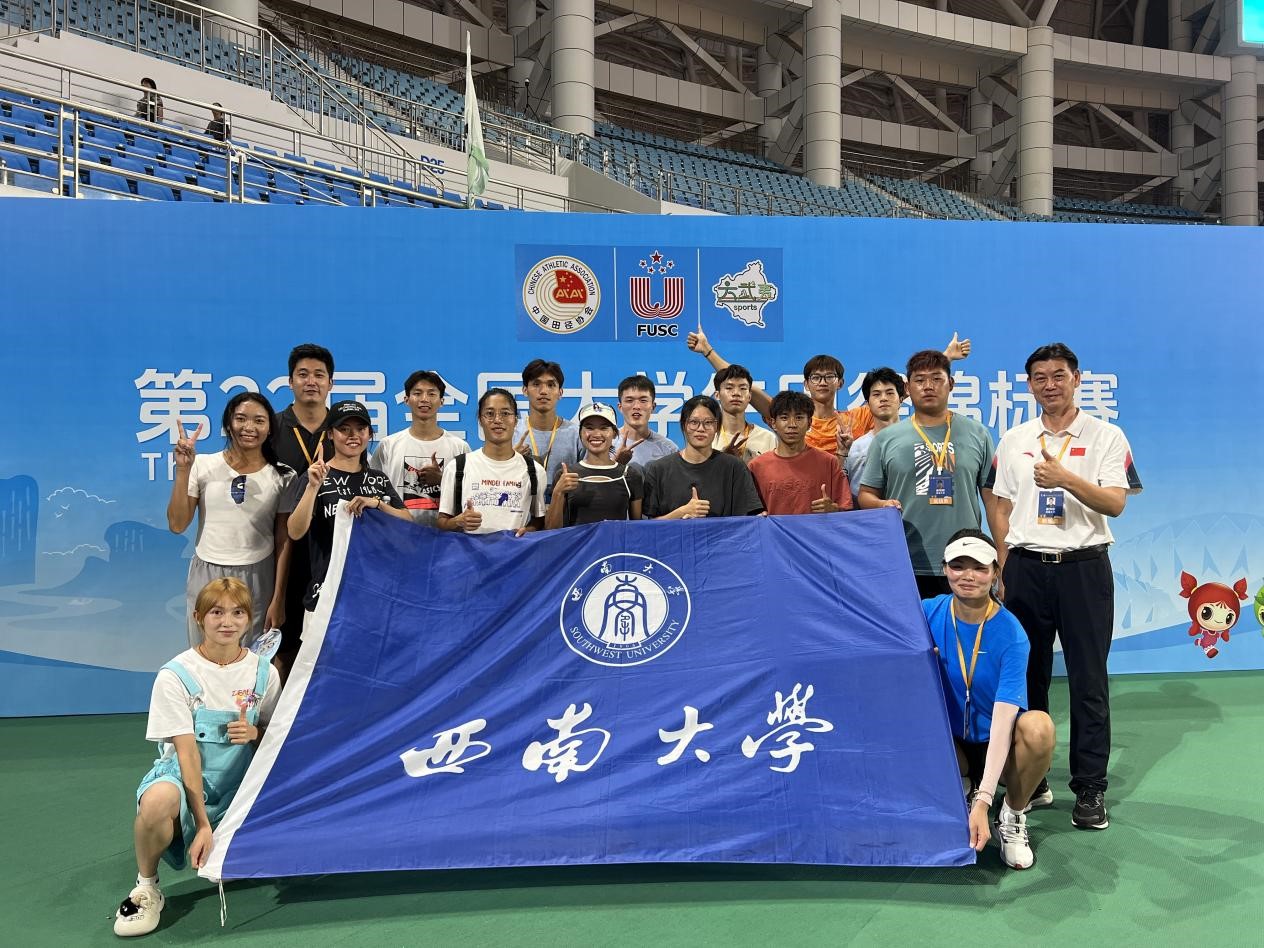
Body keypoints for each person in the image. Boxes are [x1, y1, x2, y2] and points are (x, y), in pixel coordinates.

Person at [986, 342, 1142, 831]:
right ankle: (1031, 780)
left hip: (1083, 568)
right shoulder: (1014, 438)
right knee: (1025, 677)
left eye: (1058, 376)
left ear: (1077, 379)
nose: (1049, 385)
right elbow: (1001, 504)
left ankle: (1090, 788)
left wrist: (1064, 478)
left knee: (1088, 680)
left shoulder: (1106, 435)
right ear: (1028, 384)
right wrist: (1004, 562)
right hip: (1025, 568)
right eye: (1039, 377)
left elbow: (1115, 503)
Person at [113, 578, 281, 937]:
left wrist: (256, 734)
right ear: (198, 617)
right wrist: (203, 825)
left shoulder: (265, 673)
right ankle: (146, 887)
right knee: (156, 802)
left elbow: (278, 739)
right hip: (187, 780)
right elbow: (187, 752)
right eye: (216, 612)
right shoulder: (176, 675)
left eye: (237, 613)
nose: (227, 622)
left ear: (249, 619)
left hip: (243, 786)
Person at [924, 531, 1055, 871]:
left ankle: (1011, 813)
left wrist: (985, 801)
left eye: (979, 568)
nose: (968, 576)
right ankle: (962, 785)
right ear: (944, 568)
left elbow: (1003, 722)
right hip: (950, 744)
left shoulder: (1012, 634)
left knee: (1039, 727)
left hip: (997, 744)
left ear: (995, 573)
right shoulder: (926, 613)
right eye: (958, 566)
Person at [685, 327, 969, 464]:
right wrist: (708, 352)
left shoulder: (856, 418)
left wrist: (945, 358)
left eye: (829, 377)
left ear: (840, 383)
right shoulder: (793, 418)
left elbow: (909, 390)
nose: (822, 382)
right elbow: (742, 384)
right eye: (816, 378)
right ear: (806, 384)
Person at [858, 349, 995, 599]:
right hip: (905, 561)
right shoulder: (887, 439)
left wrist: (1002, 558)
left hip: (964, 560)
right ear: (907, 388)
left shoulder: (978, 433)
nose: (928, 386)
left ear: (951, 384)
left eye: (936, 379)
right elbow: (866, 494)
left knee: (962, 626)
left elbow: (993, 501)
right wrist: (881, 505)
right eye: (920, 380)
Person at [166, 392, 293, 648]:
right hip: (207, 570)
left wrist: (278, 598)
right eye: (241, 419)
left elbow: (284, 539)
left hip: (258, 574)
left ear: (270, 428)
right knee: (205, 655)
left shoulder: (283, 476)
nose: (249, 427)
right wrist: (183, 469)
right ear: (228, 424)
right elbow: (177, 525)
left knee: (250, 659)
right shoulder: (202, 464)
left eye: (259, 421)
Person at [283, 401, 411, 614]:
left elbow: (408, 522)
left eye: (361, 429)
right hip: (327, 593)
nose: (354, 436)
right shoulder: (315, 476)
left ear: (369, 434)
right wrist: (313, 487)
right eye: (344, 429)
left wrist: (378, 504)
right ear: (330, 434)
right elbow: (295, 532)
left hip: (375, 592)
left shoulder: (378, 479)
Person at [270, 343, 334, 669]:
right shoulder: (272, 428)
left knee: (326, 646)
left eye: (319, 375)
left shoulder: (344, 430)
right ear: (290, 381)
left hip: (327, 553)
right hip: (278, 550)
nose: (311, 382)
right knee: (280, 642)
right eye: (303, 374)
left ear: (330, 383)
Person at [439, 388, 547, 535]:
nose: (497, 420)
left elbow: (539, 520)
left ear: (515, 420)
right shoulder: (458, 467)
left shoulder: (534, 470)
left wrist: (527, 530)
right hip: (468, 549)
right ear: (480, 420)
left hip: (513, 548)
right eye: (490, 414)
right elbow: (442, 522)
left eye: (505, 413)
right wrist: (458, 521)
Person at [371, 370, 470, 526]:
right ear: (406, 400)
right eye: (417, 393)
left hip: (445, 536)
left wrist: (442, 479)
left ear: (442, 401)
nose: (424, 399)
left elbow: (471, 493)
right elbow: (374, 492)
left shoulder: (459, 447)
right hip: (398, 533)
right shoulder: (388, 445)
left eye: (431, 394)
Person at [642, 395, 764, 520]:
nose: (701, 429)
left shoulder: (735, 468)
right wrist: (680, 513)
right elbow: (648, 526)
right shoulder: (658, 470)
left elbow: (748, 521)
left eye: (708, 423)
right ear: (684, 425)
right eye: (694, 422)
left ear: (717, 427)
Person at [749, 390, 851, 515]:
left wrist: (833, 509)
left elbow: (846, 510)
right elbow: (747, 514)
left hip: (817, 528)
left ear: (809, 423)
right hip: (772, 529)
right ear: (773, 423)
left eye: (799, 418)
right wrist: (756, 517)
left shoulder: (829, 463)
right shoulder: (756, 467)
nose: (792, 424)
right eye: (784, 418)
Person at [546, 403, 643, 528]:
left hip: (617, 542)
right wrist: (558, 492)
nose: (596, 434)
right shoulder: (566, 475)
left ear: (614, 433)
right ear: (580, 433)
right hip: (578, 542)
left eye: (604, 428)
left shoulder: (630, 475)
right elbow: (551, 530)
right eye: (589, 428)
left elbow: (637, 528)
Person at [513, 359, 579, 493]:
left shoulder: (576, 434)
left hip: (564, 505)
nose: (543, 391)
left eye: (551, 385)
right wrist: (511, 460)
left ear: (560, 392)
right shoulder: (511, 432)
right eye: (536, 384)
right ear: (525, 390)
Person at [844, 367, 905, 505]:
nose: (883, 398)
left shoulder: (915, 440)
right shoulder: (856, 448)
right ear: (867, 403)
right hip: (867, 516)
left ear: (901, 399)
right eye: (876, 394)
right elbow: (850, 496)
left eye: (890, 393)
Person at [710, 364, 778, 464]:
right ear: (717, 395)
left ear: (749, 396)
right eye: (729, 388)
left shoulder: (767, 438)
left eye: (742, 388)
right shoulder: (707, 437)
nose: (736, 393)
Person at [614, 374, 678, 468]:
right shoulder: (607, 443)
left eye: (643, 400)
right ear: (620, 407)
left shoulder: (669, 449)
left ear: (653, 407)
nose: (636, 406)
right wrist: (617, 463)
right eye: (630, 400)